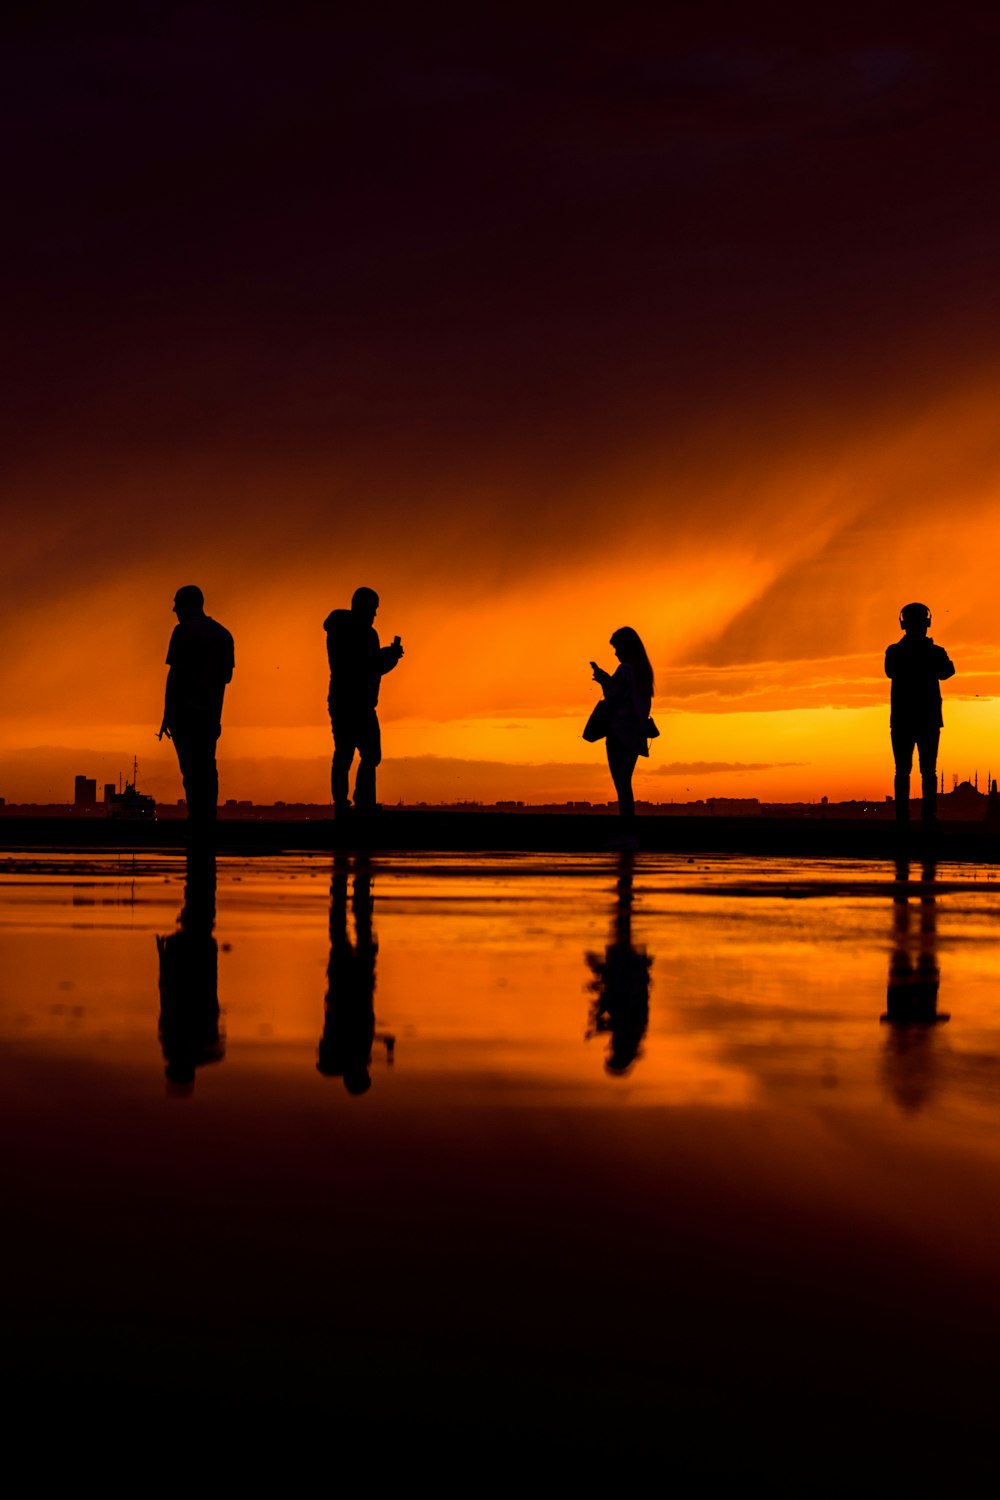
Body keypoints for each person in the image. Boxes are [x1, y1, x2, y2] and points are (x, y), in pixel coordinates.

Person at [158, 585, 235, 825]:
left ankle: (197, 819)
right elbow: (227, 677)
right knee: (207, 769)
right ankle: (208, 818)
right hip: (211, 715)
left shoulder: (182, 632)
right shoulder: (223, 634)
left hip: (186, 714)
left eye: (177, 604)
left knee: (191, 772)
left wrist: (167, 714)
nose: (174, 610)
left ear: (189, 605)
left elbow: (175, 675)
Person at [324, 586, 404, 816]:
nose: (375, 614)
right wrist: (389, 657)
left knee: (346, 754)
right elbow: (367, 666)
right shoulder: (364, 634)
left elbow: (369, 666)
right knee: (366, 754)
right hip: (356, 704)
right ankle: (361, 803)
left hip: (343, 701)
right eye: (373, 609)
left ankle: (347, 804)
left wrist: (388, 657)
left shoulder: (339, 630)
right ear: (364, 607)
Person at [885, 602, 955, 832]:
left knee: (909, 771)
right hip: (921, 720)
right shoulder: (904, 652)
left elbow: (947, 672)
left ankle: (907, 819)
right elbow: (946, 671)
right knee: (921, 771)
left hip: (912, 720)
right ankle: (921, 818)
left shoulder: (899, 651)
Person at [590, 626, 654, 829]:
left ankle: (627, 832)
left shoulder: (625, 669)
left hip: (620, 733)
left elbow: (613, 697)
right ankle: (629, 831)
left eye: (617, 648)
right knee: (625, 782)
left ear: (626, 647)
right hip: (636, 734)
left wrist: (603, 681)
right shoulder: (643, 671)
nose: (615, 653)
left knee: (622, 784)